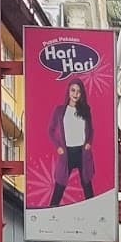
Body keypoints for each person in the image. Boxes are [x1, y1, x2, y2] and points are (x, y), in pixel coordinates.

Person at [47, 78, 96, 206]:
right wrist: (58, 147)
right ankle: (50, 213)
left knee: (87, 184)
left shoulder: (86, 110)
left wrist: (88, 143)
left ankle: (94, 214)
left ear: (82, 94)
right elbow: (50, 130)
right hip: (67, 153)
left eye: (78, 92)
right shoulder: (60, 111)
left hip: (82, 152)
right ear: (68, 91)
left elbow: (91, 129)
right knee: (59, 185)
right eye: (73, 90)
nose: (75, 94)